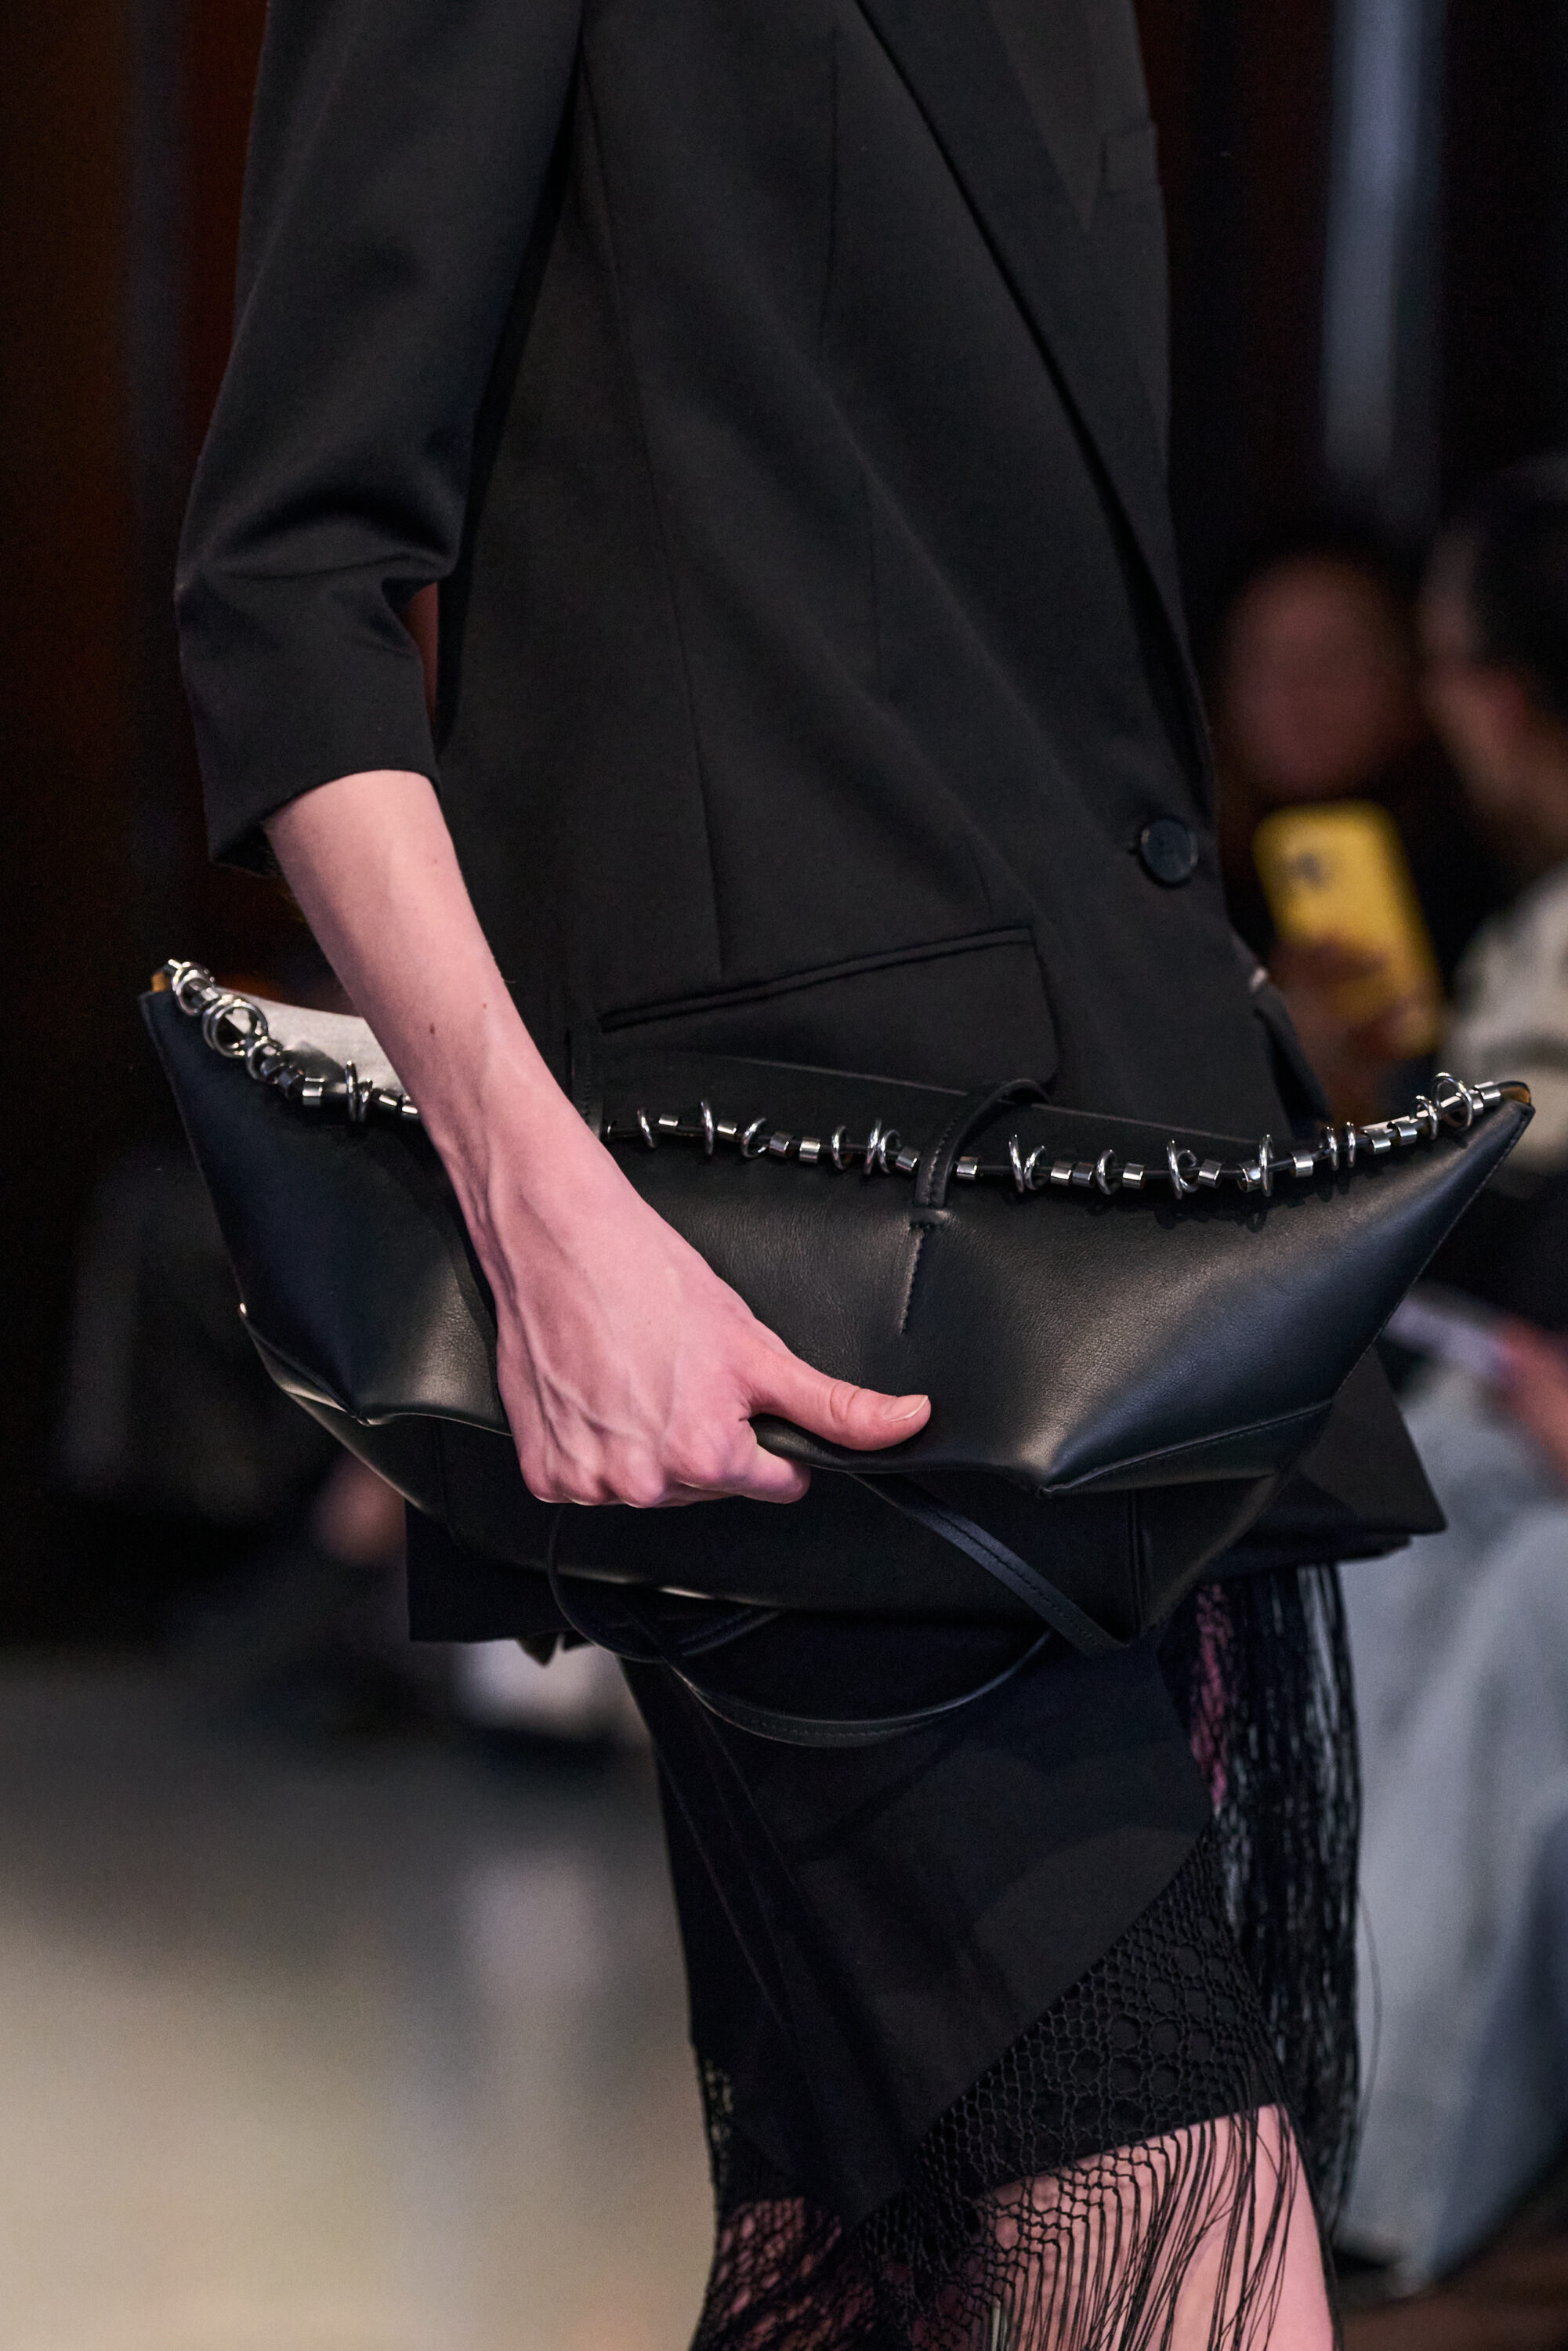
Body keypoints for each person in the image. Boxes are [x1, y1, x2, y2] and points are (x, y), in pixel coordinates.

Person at [175, 3, 1371, 2340]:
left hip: (1106, 1245)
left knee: (881, 2263)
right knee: (1179, 2252)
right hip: (784, 1286)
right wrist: (540, 1208)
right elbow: (282, 584)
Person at [1341, 456, 1568, 2299]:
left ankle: (1378, 2190)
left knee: (1522, 1607)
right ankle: (1302, 2132)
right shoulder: (1512, 923)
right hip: (1509, 1410)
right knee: (1378, 1532)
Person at [1213, 538, 1508, 1123]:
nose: (1297, 693)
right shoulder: (1192, 897)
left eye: (1335, 660)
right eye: (1263, 662)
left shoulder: (1488, 880)